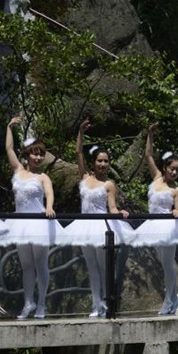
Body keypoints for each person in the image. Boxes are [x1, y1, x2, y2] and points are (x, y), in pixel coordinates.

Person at [63, 119, 135, 317]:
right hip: (84, 226)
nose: (103, 164)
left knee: (103, 267)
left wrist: (121, 213)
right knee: (91, 267)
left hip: (102, 226)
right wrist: (80, 132)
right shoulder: (85, 178)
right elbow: (78, 153)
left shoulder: (109, 184)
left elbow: (112, 208)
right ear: (93, 162)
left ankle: (106, 303)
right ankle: (96, 305)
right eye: (99, 161)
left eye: (106, 161)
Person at [0, 117, 64, 319]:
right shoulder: (18, 171)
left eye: (41, 154)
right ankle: (28, 303)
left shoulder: (43, 177)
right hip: (20, 223)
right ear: (27, 155)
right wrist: (9, 127)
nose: (38, 157)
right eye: (35, 153)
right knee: (26, 266)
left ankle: (41, 304)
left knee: (40, 264)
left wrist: (49, 207)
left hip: (38, 223)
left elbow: (49, 194)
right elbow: (9, 148)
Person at [133, 122, 178, 314]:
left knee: (168, 264)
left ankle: (169, 300)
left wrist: (176, 212)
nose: (174, 172)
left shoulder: (176, 189)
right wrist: (150, 134)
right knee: (161, 263)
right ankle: (173, 298)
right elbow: (148, 155)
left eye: (177, 170)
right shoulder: (157, 178)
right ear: (165, 167)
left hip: (167, 226)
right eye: (171, 168)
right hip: (152, 224)